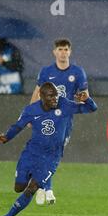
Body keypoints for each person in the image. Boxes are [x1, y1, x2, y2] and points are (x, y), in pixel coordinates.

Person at [0, 82, 97, 216]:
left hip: (51, 157)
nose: (55, 99)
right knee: (19, 187)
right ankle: (41, 182)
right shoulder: (31, 110)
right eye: (50, 96)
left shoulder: (64, 104)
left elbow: (91, 108)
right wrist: (7, 137)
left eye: (56, 95)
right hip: (31, 153)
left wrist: (87, 99)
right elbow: (18, 126)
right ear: (41, 97)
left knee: (31, 189)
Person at [30, 38, 89, 205]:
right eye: (60, 49)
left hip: (65, 120)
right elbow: (37, 93)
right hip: (46, 117)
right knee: (47, 152)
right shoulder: (46, 71)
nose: (63, 52)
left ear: (70, 52)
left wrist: (84, 104)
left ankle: (43, 186)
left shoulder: (77, 72)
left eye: (66, 49)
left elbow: (85, 94)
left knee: (55, 154)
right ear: (54, 52)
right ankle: (47, 188)